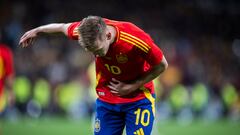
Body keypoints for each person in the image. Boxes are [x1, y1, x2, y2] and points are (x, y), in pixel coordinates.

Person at [19, 16, 168, 135]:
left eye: (97, 49)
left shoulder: (135, 39)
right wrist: (37, 31)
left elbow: (162, 65)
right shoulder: (86, 32)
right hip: (107, 100)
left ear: (108, 35)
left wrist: (132, 86)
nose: (95, 54)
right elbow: (62, 27)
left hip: (138, 98)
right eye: (89, 50)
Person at [0, 38, 15, 113]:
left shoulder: (4, 52)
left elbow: (9, 76)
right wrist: (11, 92)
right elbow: (9, 76)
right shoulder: (4, 52)